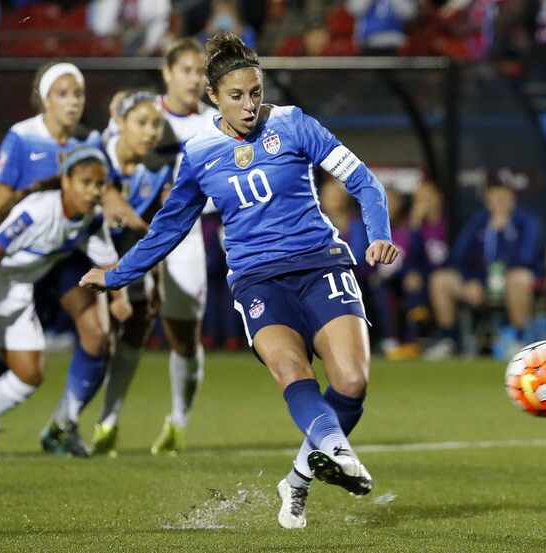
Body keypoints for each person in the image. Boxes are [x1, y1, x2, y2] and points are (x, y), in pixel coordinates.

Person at [79, 32, 398, 529]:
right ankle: (336, 451)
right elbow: (169, 227)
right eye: (236, 96)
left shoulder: (294, 125)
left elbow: (363, 181)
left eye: (255, 92)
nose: (249, 106)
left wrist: (377, 234)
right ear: (213, 97)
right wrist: (119, 273)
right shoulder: (200, 154)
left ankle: (297, 479)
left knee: (352, 382)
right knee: (293, 371)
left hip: (321, 264)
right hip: (257, 280)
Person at [0, 61, 144, 457]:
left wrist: (132, 218)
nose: (72, 102)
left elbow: (105, 194)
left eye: (78, 94)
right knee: (11, 350)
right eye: (62, 93)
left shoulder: (87, 142)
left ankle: (64, 424)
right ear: (44, 98)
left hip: (66, 255)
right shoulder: (21, 138)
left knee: (97, 334)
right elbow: (1, 203)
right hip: (24, 256)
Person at [0, 148, 130, 458]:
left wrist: (120, 298)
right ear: (67, 181)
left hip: (14, 291)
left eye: (100, 185)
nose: (94, 191)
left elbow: (109, 263)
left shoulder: (91, 221)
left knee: (29, 374)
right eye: (86, 182)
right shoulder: (38, 210)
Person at [92, 38, 219, 457]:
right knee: (130, 325)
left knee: (184, 334)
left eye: (202, 71)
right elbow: (104, 162)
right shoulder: (141, 115)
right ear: (167, 73)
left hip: (185, 235)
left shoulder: (217, 123)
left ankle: (178, 423)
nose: (195, 79)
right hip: (135, 232)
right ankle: (106, 421)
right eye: (187, 70)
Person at [424, 179, 544, 360]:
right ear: (487, 200)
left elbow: (527, 258)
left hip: (513, 283)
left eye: (503, 198)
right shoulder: (479, 222)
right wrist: (470, 281)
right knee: (440, 279)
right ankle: (448, 340)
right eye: (494, 198)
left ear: (512, 199)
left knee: (519, 278)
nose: (499, 203)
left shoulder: (527, 222)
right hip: (481, 283)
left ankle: (518, 341)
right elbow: (458, 257)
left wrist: (502, 235)